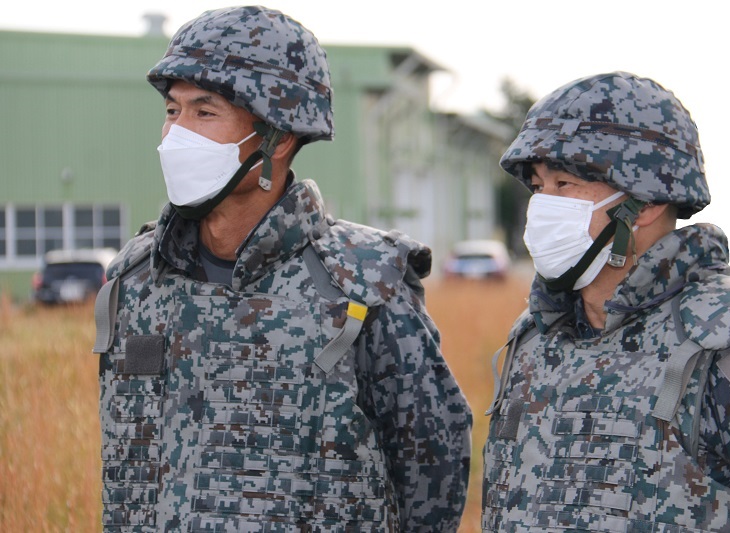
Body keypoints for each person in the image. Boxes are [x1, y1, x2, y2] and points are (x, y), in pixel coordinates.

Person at [92, 6, 471, 531]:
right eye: (173, 111)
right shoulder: (134, 282)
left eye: (204, 113)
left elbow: (433, 469)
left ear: (278, 135)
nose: (177, 134)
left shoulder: (367, 283)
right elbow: (125, 472)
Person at [481, 71, 730, 532]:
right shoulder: (535, 342)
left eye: (565, 185)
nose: (542, 206)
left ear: (645, 203)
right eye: (537, 186)